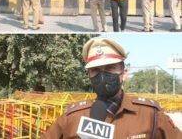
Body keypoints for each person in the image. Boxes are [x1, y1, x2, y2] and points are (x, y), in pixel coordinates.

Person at [42, 38, 182, 139]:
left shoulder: (150, 114)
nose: (102, 76)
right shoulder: (71, 117)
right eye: (95, 70)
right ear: (89, 75)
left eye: (110, 68)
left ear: (124, 73)